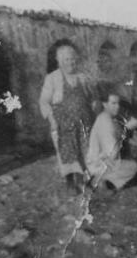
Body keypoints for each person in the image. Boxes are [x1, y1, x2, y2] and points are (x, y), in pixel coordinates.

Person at [39, 44, 96, 194]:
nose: (70, 62)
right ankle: (71, 183)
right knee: (68, 154)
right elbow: (44, 102)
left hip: (84, 122)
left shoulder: (83, 77)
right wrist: (52, 120)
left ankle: (85, 181)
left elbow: (92, 98)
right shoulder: (52, 78)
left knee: (86, 151)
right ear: (59, 61)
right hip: (63, 124)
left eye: (72, 59)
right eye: (66, 59)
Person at [86, 91, 137, 190]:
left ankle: (105, 182)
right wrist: (128, 129)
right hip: (99, 164)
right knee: (134, 166)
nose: (117, 107)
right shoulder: (106, 122)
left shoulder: (105, 117)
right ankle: (102, 181)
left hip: (99, 161)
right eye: (113, 103)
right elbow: (113, 152)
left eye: (119, 103)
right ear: (105, 104)